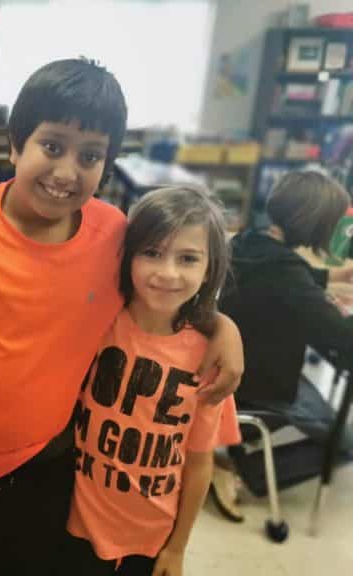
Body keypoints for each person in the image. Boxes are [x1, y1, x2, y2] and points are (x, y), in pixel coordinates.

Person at [0, 58, 243, 576]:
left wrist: (222, 326)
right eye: (52, 146)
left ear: (107, 165)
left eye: (90, 156)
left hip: (46, 469)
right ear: (15, 145)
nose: (66, 172)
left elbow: (162, 290)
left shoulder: (114, 236)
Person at [62, 186, 232, 576]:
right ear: (128, 256)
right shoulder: (98, 321)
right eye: (152, 252)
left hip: (152, 538)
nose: (168, 273)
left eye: (188, 258)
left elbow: (199, 463)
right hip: (75, 525)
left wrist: (177, 548)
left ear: (210, 268)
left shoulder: (210, 357)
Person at [214, 171, 353, 515]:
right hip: (263, 387)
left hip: (233, 370)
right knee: (347, 441)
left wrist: (333, 278)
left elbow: (285, 274)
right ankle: (245, 472)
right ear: (316, 224)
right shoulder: (289, 278)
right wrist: (333, 305)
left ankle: (235, 455)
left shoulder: (247, 241)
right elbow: (344, 340)